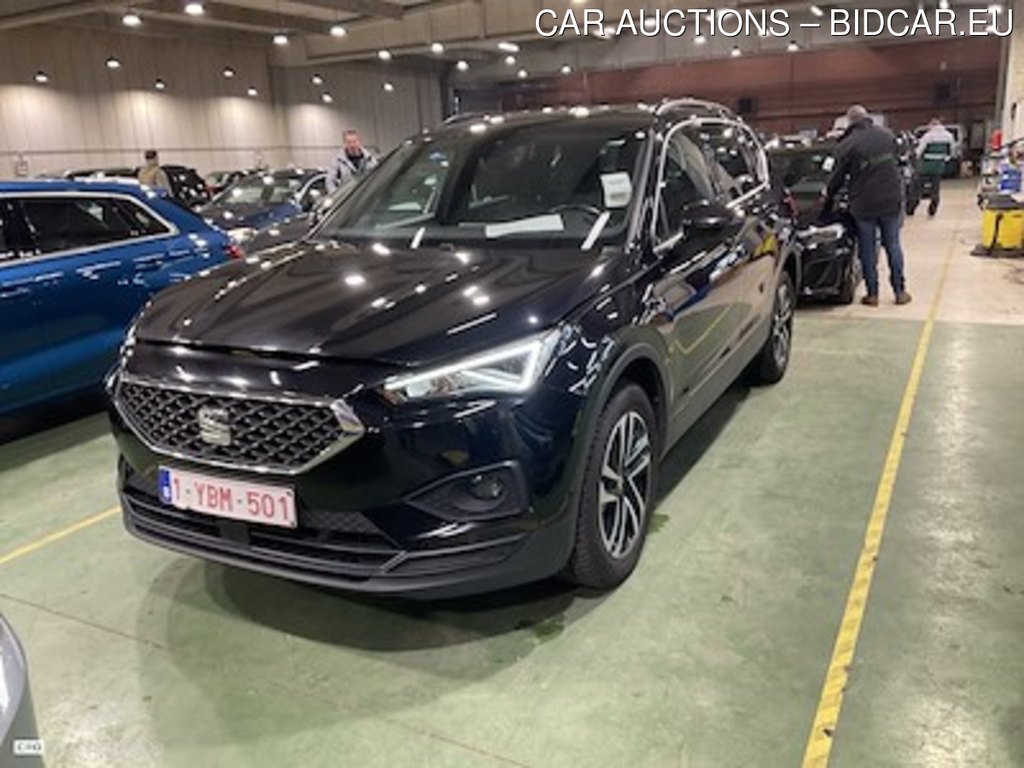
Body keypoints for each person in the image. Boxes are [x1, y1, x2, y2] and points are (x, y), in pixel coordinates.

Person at [825, 105, 912, 307]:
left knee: (867, 248)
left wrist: (828, 197)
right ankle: (900, 291)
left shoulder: (847, 144)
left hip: (864, 204)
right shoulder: (887, 135)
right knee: (893, 245)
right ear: (867, 118)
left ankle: (872, 294)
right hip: (890, 199)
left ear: (850, 122)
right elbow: (899, 160)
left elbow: (837, 177)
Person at [915, 118, 955, 217]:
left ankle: (912, 207)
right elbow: (951, 152)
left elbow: (919, 151)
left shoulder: (928, 136)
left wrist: (916, 158)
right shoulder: (949, 136)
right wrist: (945, 159)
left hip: (925, 166)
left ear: (931, 125)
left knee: (917, 187)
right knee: (935, 188)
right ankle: (933, 209)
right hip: (939, 166)